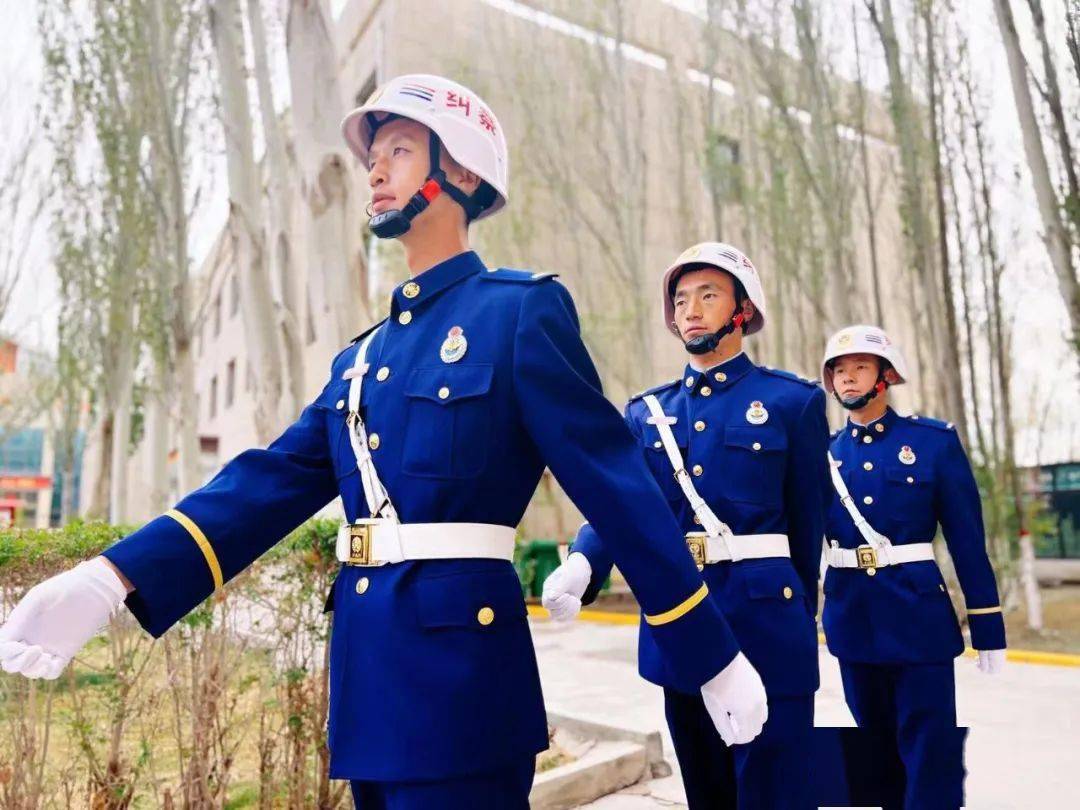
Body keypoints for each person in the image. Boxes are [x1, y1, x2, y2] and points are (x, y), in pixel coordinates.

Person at [0, 75, 768, 809]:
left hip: (463, 680)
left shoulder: (519, 315)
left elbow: (618, 488)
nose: (374, 171)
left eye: (397, 150)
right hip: (369, 679)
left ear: (460, 169)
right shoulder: (360, 360)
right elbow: (268, 483)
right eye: (372, 158)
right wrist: (112, 578)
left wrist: (710, 652)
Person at [543, 242, 829, 809]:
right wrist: (583, 561)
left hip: (767, 627)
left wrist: (796, 612)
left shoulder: (791, 403)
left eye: (708, 295)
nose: (691, 309)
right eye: (680, 300)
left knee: (779, 793)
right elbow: (623, 506)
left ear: (742, 310)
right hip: (683, 626)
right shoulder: (648, 413)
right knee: (708, 793)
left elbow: (807, 524)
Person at [819, 324, 1007, 809]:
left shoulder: (933, 443)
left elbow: (967, 540)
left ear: (885, 375)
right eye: (839, 371)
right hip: (851, 616)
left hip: (917, 617)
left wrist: (988, 625)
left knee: (931, 748)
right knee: (875, 748)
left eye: (860, 367)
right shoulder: (822, 456)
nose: (848, 379)